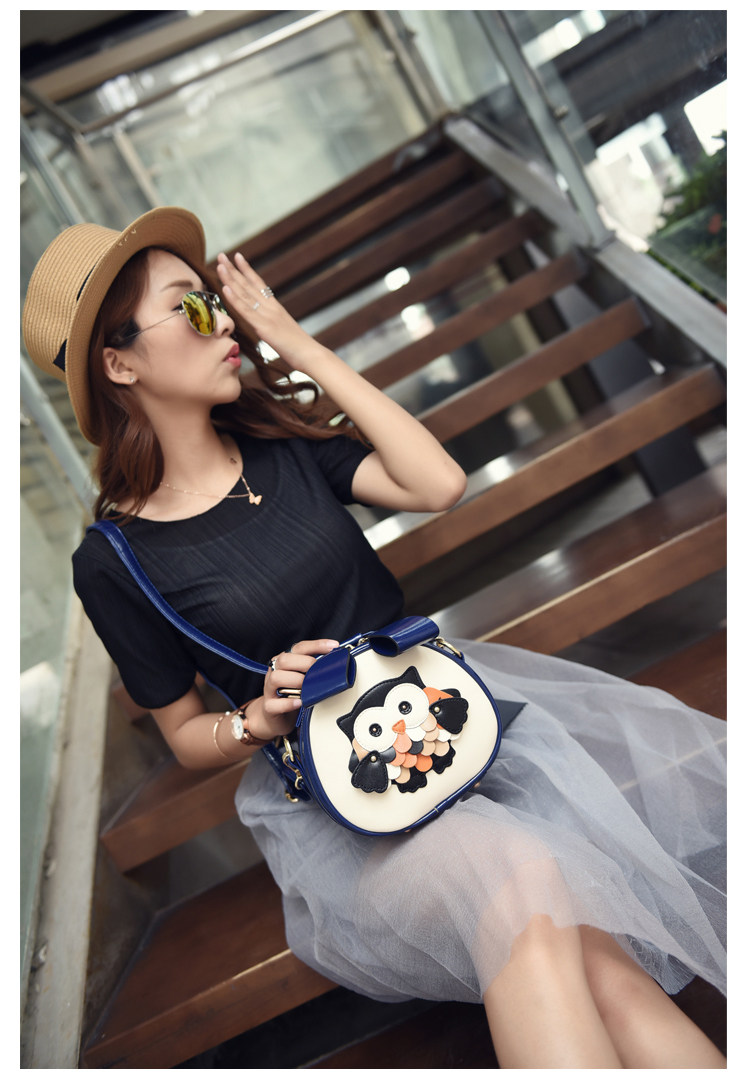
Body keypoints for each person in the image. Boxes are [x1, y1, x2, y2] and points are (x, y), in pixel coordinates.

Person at [22, 208, 727, 1069]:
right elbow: (183, 736)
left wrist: (293, 342)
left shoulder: (278, 450)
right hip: (339, 804)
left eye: (219, 301)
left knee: (597, 958)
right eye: (191, 306)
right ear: (120, 362)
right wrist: (255, 718)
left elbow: (437, 482)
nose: (224, 321)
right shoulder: (115, 561)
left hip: (447, 721)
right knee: (530, 882)